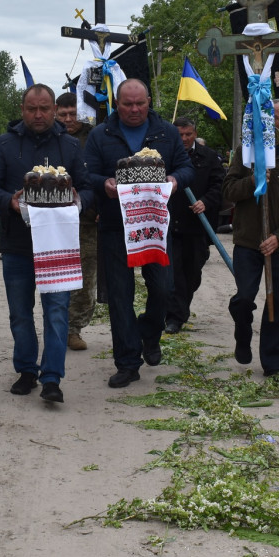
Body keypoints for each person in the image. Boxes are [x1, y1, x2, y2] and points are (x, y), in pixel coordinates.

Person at [0, 84, 92, 403]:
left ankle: (52, 377)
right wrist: (9, 203)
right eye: (32, 108)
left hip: (58, 247)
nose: (39, 114)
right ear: (22, 109)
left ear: (55, 109)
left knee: (57, 312)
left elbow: (88, 189)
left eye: (45, 108)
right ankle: (27, 370)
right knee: (20, 312)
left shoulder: (69, 146)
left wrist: (78, 200)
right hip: (17, 244)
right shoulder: (4, 144)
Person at [84, 79, 194, 388]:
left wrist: (174, 180)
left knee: (163, 288)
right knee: (120, 296)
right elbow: (86, 173)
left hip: (156, 225)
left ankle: (149, 332)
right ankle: (128, 363)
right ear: (117, 104)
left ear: (149, 102)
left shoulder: (167, 132)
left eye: (140, 103)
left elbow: (187, 169)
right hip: (115, 227)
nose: (134, 109)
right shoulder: (100, 134)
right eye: (128, 104)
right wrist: (102, 183)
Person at [223, 99, 279, 377]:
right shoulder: (246, 153)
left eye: (275, 118)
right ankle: (242, 329)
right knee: (244, 298)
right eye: (264, 118)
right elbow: (228, 191)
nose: (268, 122)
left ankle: (274, 364)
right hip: (248, 240)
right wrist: (253, 181)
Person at [164, 117, 225, 335]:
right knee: (175, 274)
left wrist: (206, 201)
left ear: (194, 133)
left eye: (188, 134)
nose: (184, 139)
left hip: (198, 227)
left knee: (192, 273)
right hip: (172, 225)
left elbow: (220, 186)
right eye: (179, 135)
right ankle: (174, 317)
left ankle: (179, 308)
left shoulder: (209, 157)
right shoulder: (166, 157)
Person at [56, 91, 96, 351]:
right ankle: (57, 326)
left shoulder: (95, 137)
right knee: (57, 275)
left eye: (74, 114)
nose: (69, 119)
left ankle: (74, 328)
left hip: (87, 219)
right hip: (54, 219)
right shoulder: (49, 137)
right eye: (63, 114)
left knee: (85, 277)